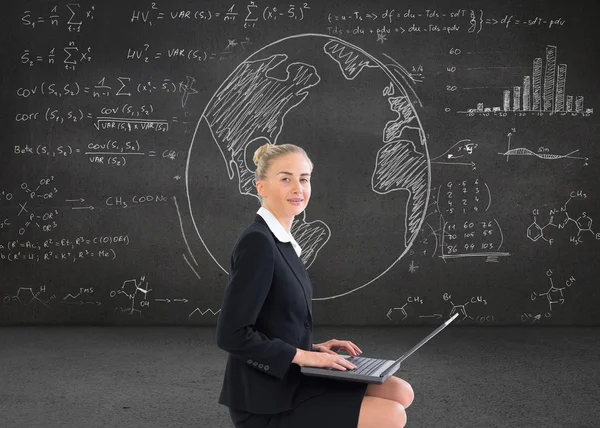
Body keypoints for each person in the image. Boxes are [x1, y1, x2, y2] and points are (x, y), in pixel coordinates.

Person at [216, 143, 414, 428]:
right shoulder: (257, 242)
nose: (298, 188)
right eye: (286, 179)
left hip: (295, 378)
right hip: (266, 400)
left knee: (400, 391)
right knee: (392, 415)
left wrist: (313, 347)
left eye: (304, 178)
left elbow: (270, 319)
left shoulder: (281, 242)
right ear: (261, 187)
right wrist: (303, 355)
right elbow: (231, 335)